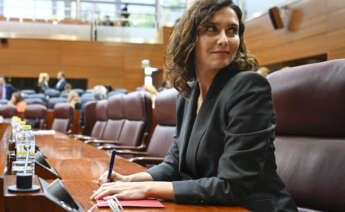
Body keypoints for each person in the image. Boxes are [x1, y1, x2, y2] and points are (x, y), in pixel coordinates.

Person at [91, 1, 297, 211]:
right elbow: (174, 163)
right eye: (211, 29)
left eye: (232, 31)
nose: (224, 40)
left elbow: (232, 186)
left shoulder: (249, 88)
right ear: (190, 39)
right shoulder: (189, 95)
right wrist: (130, 181)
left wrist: (147, 189)